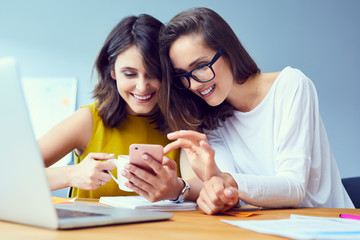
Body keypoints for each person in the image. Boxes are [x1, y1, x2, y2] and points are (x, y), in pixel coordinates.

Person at [159, 7, 354, 214]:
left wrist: (224, 180)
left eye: (201, 66)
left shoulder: (291, 85)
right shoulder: (211, 118)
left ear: (228, 51)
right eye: (183, 74)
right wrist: (214, 186)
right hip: (268, 228)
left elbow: (294, 188)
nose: (193, 84)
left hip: (332, 224)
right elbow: (229, 190)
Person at [39, 14, 188, 202]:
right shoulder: (89, 120)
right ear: (112, 70)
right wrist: (70, 175)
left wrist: (178, 189)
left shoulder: (182, 122)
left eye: (154, 74)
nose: (142, 86)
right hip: (92, 229)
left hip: (162, 230)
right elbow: (10, 172)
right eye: (129, 74)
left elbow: (199, 189)